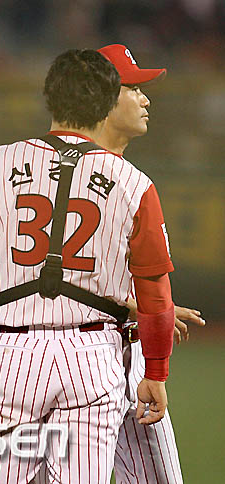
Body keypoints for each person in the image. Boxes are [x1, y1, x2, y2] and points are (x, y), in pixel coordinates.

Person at [0, 48, 176, 483]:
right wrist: (155, 371)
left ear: (50, 98)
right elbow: (155, 295)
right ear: (106, 104)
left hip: (13, 359)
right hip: (92, 360)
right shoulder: (136, 185)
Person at [95, 43, 206, 484]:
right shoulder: (78, 178)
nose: (146, 99)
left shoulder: (125, 177)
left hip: (128, 352)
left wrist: (148, 310)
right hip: (80, 353)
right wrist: (141, 307)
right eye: (134, 88)